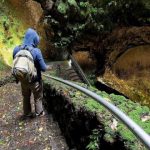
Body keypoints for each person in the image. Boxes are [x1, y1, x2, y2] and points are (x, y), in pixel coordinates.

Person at [13, 28, 50, 118]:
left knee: (26, 97)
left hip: (23, 80)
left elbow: (16, 64)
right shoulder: (36, 51)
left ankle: (27, 113)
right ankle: (39, 113)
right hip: (35, 81)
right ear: (34, 39)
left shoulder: (16, 49)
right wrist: (49, 67)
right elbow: (43, 68)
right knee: (37, 97)